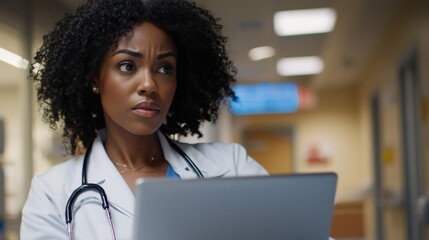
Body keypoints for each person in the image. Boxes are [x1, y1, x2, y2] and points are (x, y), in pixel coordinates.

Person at [20, 0, 267, 239]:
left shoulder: (232, 167)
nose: (149, 84)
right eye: (127, 66)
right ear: (95, 78)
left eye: (165, 68)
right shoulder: (52, 193)